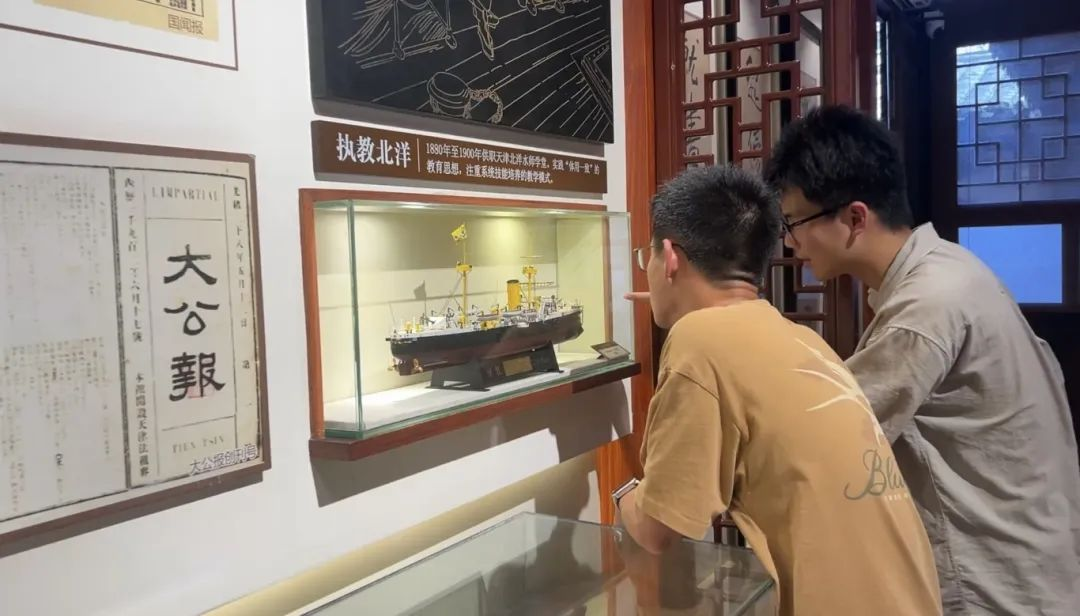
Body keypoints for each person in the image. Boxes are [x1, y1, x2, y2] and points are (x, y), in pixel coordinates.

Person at [762, 104, 1080, 615]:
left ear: (855, 218)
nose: (789, 240)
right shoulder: (949, 269)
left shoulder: (927, 305)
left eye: (795, 221)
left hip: (992, 581)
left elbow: (827, 435)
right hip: (1034, 560)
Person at [612, 164, 942, 615]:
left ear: (669, 257)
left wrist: (624, 496)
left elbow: (658, 529)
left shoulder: (698, 340)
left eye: (644, 257)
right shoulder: (800, 338)